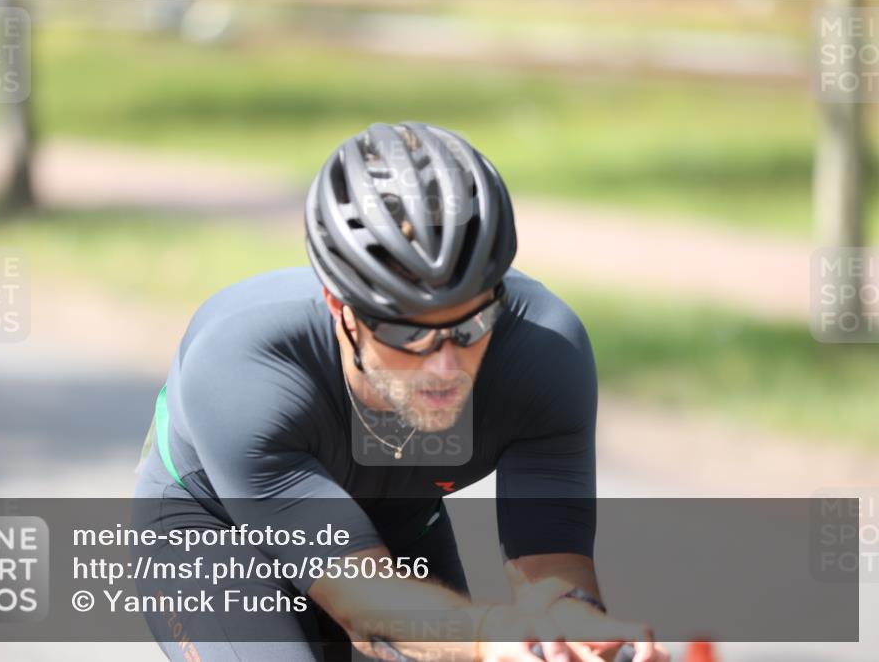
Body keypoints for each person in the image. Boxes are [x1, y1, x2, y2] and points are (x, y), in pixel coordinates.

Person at [133, 122, 668, 662]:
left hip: (398, 517)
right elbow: (365, 604)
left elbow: (550, 562)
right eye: (408, 333)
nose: (444, 366)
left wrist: (574, 629)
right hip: (213, 530)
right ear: (339, 307)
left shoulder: (543, 356)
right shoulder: (243, 367)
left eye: (470, 327)